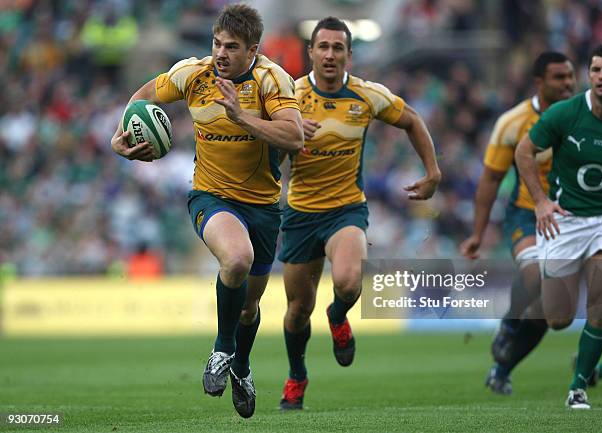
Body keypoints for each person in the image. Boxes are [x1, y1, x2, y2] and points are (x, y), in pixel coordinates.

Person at [110, 4, 303, 418]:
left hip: (264, 207)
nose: (220, 53)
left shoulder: (272, 79)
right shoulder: (192, 74)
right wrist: (120, 137)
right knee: (236, 258)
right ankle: (222, 350)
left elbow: (294, 135)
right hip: (210, 196)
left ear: (253, 49)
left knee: (250, 305)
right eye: (216, 43)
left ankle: (242, 367)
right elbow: (141, 97)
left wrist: (242, 117)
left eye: (231, 47)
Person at [277, 17, 441, 410]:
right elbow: (263, 146)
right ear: (311, 52)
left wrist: (433, 171)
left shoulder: (366, 96)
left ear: (349, 54)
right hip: (299, 213)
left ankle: (338, 314)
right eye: (323, 47)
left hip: (345, 209)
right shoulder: (289, 98)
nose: (330, 54)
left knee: (349, 282)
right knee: (298, 310)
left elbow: (412, 121)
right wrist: (290, 134)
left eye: (338, 48)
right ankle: (297, 374)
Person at [460, 52, 576, 395]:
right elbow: (490, 180)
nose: (568, 83)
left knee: (554, 315)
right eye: (559, 77)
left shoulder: (587, 116)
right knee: (535, 275)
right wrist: (478, 234)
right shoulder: (513, 122)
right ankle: (510, 320)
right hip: (527, 214)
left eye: (570, 76)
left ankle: (502, 369)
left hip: (577, 220)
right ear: (539, 82)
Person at [515, 43, 602, 409]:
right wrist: (541, 201)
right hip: (566, 221)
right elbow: (524, 151)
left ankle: (578, 386)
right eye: (597, 70)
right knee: (558, 317)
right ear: (590, 74)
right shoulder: (566, 113)